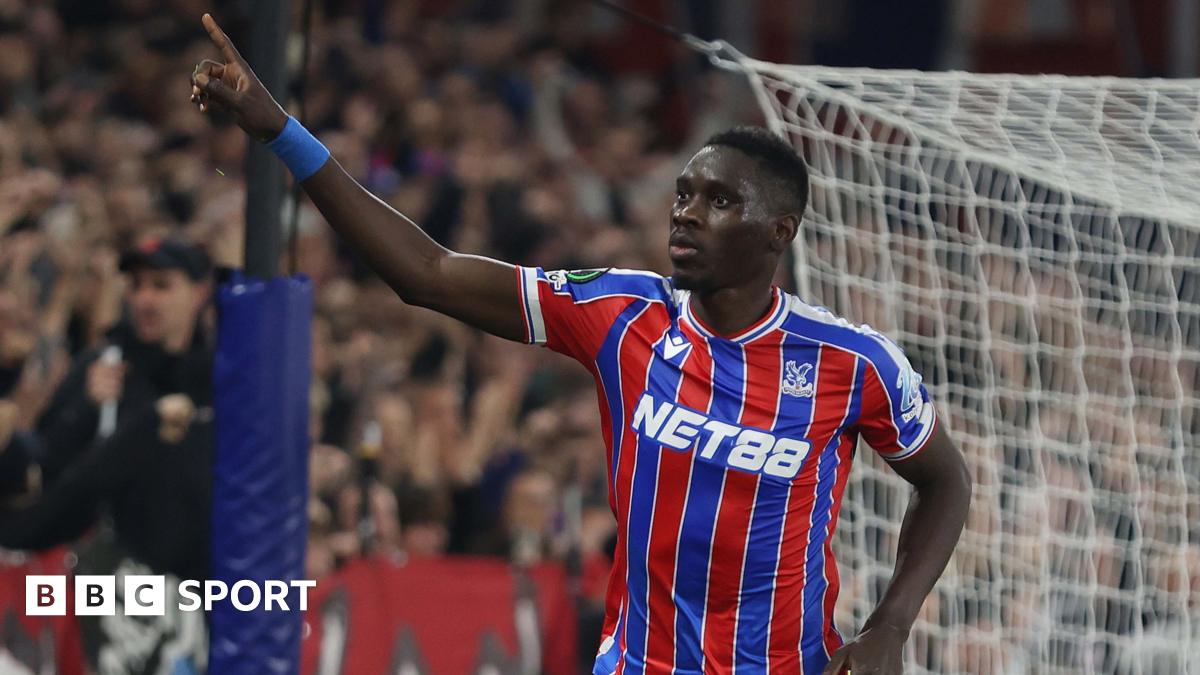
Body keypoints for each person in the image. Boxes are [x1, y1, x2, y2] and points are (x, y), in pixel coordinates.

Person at [190, 13, 972, 674]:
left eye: (719, 199)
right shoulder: (622, 313)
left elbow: (944, 482)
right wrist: (281, 132)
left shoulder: (852, 361)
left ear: (779, 231)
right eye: (684, 193)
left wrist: (892, 623)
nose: (688, 213)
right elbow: (428, 272)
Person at [33, 236, 213, 484]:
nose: (144, 300)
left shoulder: (216, 371)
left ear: (199, 293)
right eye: (136, 286)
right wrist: (88, 407)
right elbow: (44, 463)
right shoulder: (103, 362)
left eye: (161, 286)